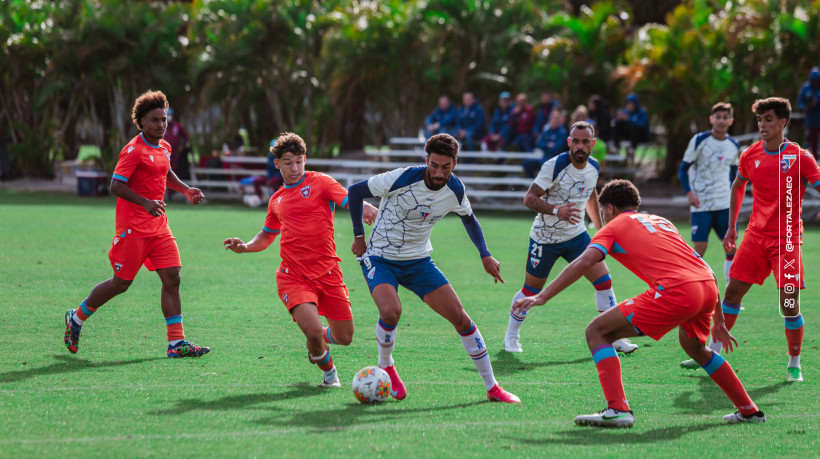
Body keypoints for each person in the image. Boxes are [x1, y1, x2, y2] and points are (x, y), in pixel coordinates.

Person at [514, 179, 765, 428]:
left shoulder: (611, 228)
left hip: (677, 290)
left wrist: (542, 296)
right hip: (707, 287)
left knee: (597, 331)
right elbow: (704, 266)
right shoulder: (662, 221)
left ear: (610, 209)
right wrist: (719, 319)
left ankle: (618, 409)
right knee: (696, 348)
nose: (603, 217)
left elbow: (583, 262)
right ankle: (749, 410)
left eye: (603, 212)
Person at [347, 133, 520, 403]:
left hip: (418, 261)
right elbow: (356, 191)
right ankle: (387, 365)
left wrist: (485, 254)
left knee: (461, 319)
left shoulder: (455, 190)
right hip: (380, 257)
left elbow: (469, 219)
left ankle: (493, 387)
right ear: (426, 160)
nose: (439, 173)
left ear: (455, 163)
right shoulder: (402, 177)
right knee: (391, 311)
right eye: (434, 165)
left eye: (446, 167)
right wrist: (359, 236)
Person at [63, 90, 210, 358]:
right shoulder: (133, 150)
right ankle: (76, 317)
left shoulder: (164, 146)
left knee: (172, 278)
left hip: (159, 227)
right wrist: (144, 202)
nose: (161, 125)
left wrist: (186, 190)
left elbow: (165, 171)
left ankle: (176, 343)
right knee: (121, 284)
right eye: (154, 120)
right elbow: (115, 185)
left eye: (164, 119)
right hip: (133, 229)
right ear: (141, 121)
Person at [223, 132, 377, 387]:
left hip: (328, 273)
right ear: (277, 164)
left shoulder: (321, 182)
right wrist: (245, 247)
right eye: (287, 162)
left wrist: (366, 207)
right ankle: (329, 374)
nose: (294, 168)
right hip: (293, 277)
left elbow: (348, 199)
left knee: (345, 336)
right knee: (313, 332)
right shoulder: (276, 200)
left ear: (305, 159)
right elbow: (266, 234)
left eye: (298, 161)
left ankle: (317, 344)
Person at [504, 121, 637, 355]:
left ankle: (614, 337)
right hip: (545, 239)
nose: (580, 146)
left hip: (577, 236)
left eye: (585, 142)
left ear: (592, 144)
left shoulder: (594, 166)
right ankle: (512, 336)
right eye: (575, 141)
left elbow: (591, 196)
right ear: (569, 142)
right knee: (530, 290)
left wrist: (601, 229)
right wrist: (557, 211)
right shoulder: (554, 166)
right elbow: (528, 199)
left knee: (604, 282)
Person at [718, 97, 820, 383]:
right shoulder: (750, 155)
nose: (762, 125)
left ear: (783, 123)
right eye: (759, 120)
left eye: (769, 119)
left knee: (789, 304)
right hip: (755, 236)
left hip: (787, 241)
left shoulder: (800, 157)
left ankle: (794, 364)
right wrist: (732, 227)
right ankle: (713, 351)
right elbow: (738, 185)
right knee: (731, 294)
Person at [522, 109, 567, 178]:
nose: (553, 120)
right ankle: (534, 182)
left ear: (559, 120)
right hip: (544, 158)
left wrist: (545, 146)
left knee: (545, 165)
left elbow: (556, 149)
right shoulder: (547, 131)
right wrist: (547, 145)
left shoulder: (562, 132)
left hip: (555, 161)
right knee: (526, 164)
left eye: (555, 118)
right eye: (552, 118)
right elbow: (538, 144)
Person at [797, 67, 820, 158]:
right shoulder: (805, 88)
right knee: (811, 140)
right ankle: (814, 158)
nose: (815, 83)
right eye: (814, 81)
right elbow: (800, 102)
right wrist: (804, 107)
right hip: (810, 120)